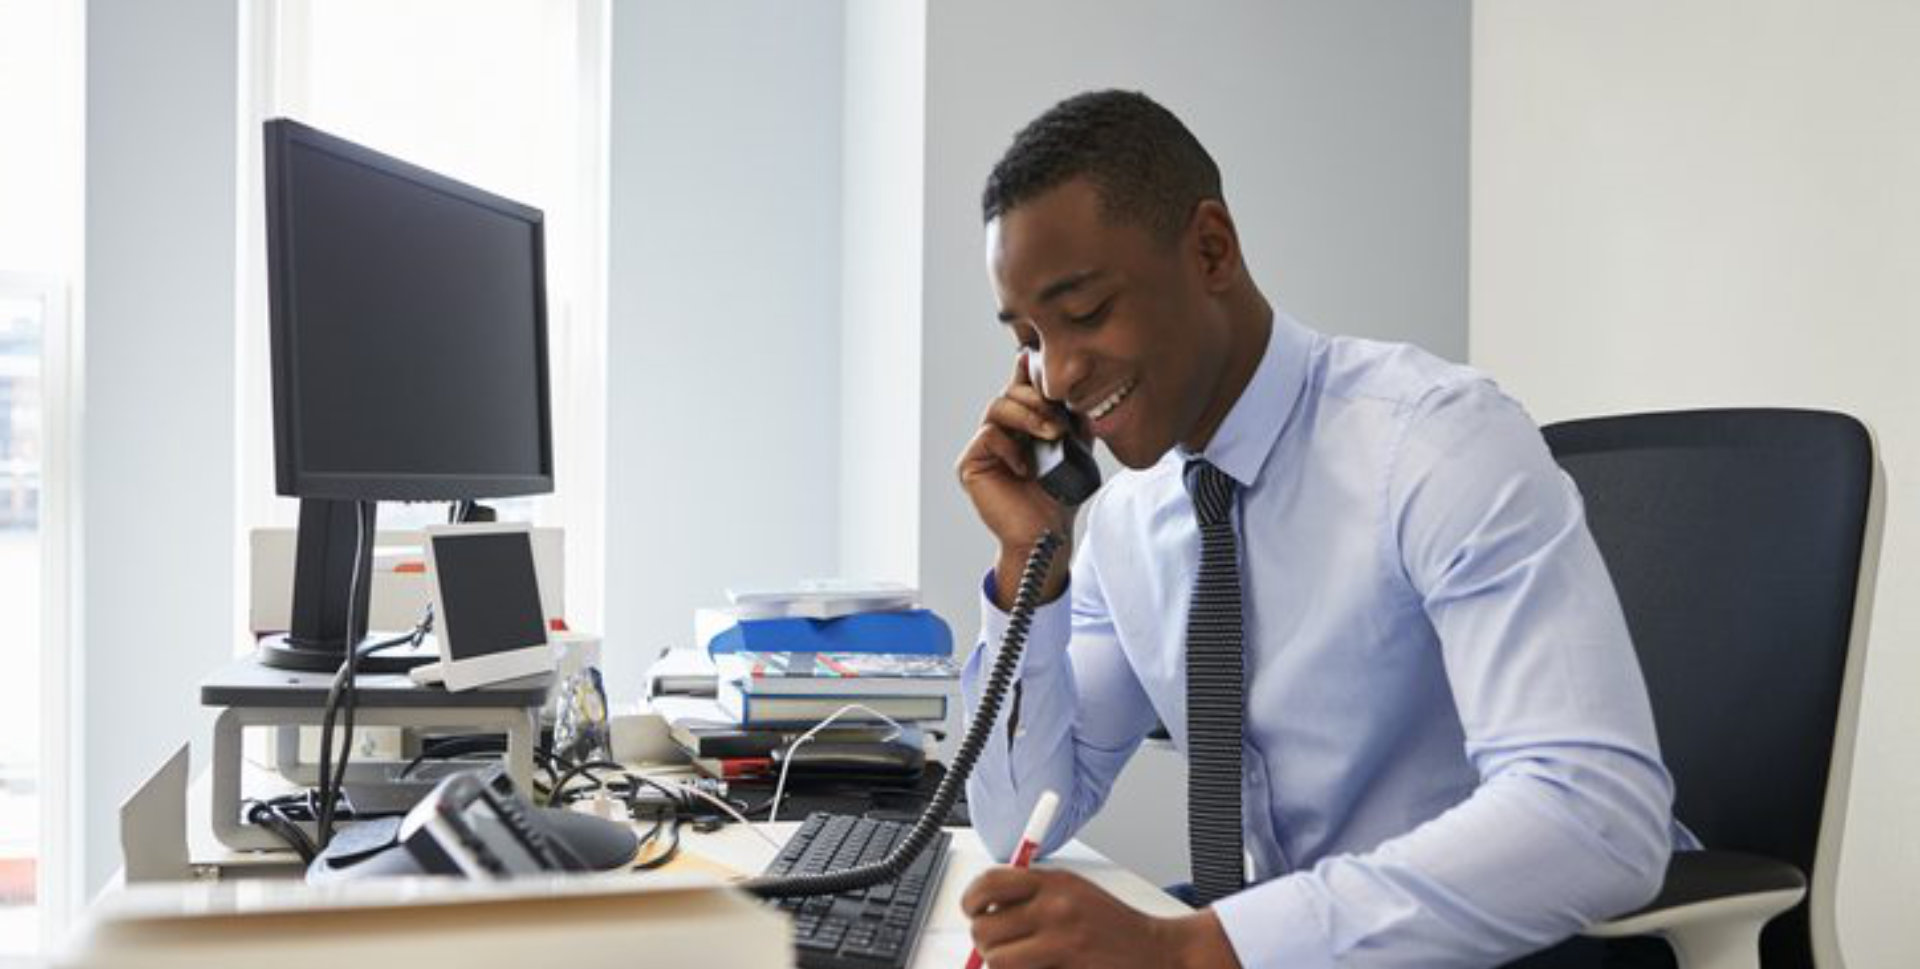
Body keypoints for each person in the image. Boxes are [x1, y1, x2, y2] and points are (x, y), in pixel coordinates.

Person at [954, 90, 1680, 969]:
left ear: (1211, 249)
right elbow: (1019, 813)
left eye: (1087, 312)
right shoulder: (1123, 528)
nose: (1058, 376)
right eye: (1030, 336)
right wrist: (1030, 565)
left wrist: (1194, 951)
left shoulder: (1434, 443)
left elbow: (1595, 815)